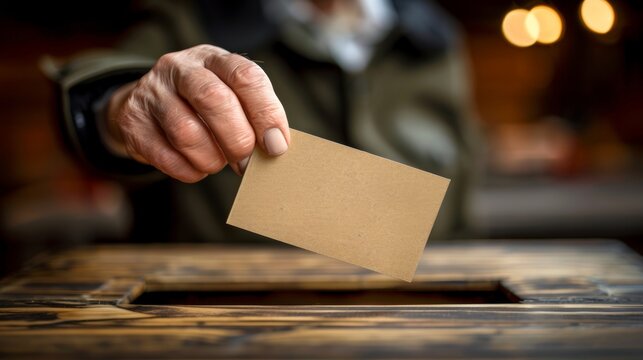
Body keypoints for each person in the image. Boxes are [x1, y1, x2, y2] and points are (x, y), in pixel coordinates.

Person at [52, 0, 479, 243]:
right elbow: (100, 96)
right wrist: (124, 107)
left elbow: (462, 187)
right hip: (221, 321)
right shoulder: (189, 21)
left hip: (420, 316)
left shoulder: (437, 40)